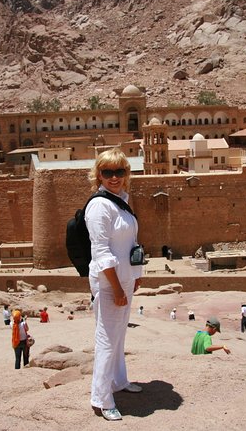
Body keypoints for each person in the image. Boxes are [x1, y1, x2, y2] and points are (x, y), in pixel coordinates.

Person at [85, 149, 143, 422]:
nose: (114, 177)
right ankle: (102, 398)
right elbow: (101, 252)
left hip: (125, 279)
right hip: (109, 283)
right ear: (99, 175)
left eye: (120, 171)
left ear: (126, 174)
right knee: (107, 339)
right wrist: (118, 289)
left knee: (119, 334)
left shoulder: (121, 202)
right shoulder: (99, 206)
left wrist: (136, 273)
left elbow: (130, 245)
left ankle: (119, 381)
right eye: (108, 172)